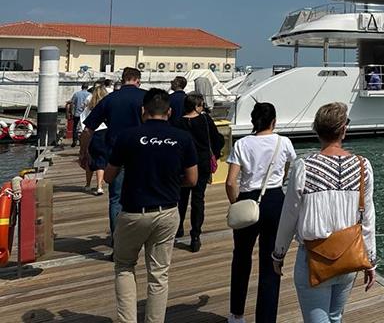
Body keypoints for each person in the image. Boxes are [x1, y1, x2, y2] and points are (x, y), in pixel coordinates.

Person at [272, 102, 377, 323]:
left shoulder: (304, 167)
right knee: (335, 318)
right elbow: (367, 218)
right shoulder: (362, 166)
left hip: (313, 257)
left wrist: (278, 254)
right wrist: (371, 260)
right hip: (349, 256)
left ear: (317, 130)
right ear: (343, 129)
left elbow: (289, 215)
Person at [105, 88, 198, 323]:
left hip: (134, 212)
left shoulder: (128, 136)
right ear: (170, 112)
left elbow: (108, 176)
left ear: (143, 111)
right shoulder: (182, 138)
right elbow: (193, 179)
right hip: (166, 211)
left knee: (124, 266)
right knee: (158, 275)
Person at [226, 102, 296, 323]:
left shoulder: (242, 144)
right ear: (274, 122)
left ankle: (237, 315)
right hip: (275, 200)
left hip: (248, 199)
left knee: (241, 257)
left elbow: (230, 182)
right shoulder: (283, 142)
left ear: (253, 120)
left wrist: (236, 203)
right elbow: (287, 169)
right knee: (271, 262)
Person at [80, 67, 147, 236]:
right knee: (142, 196)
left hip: (115, 154)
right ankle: (138, 236)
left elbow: (88, 130)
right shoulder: (147, 98)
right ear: (138, 80)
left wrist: (83, 152)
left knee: (116, 199)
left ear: (123, 79)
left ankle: (117, 239)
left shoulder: (109, 100)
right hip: (143, 154)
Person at [175, 92, 224, 251]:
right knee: (198, 199)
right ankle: (195, 235)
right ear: (197, 106)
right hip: (201, 163)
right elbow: (217, 139)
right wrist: (215, 154)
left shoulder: (178, 122)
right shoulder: (205, 120)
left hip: (183, 164)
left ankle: (178, 227)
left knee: (181, 199)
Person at [81, 84, 109, 194]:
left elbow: (84, 125)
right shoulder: (108, 106)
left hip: (92, 133)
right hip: (106, 133)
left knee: (90, 159)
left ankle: (88, 184)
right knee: (101, 161)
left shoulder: (89, 108)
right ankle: (99, 186)